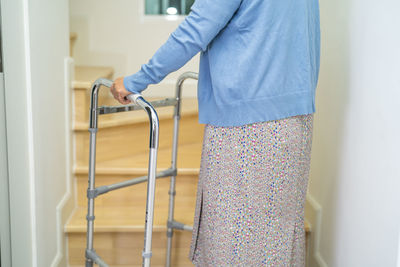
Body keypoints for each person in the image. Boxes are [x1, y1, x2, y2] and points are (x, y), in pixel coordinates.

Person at [110, 0, 320, 265]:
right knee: (275, 238)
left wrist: (137, 80)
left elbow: (196, 30)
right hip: (294, 120)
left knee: (234, 238)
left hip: (249, 127)